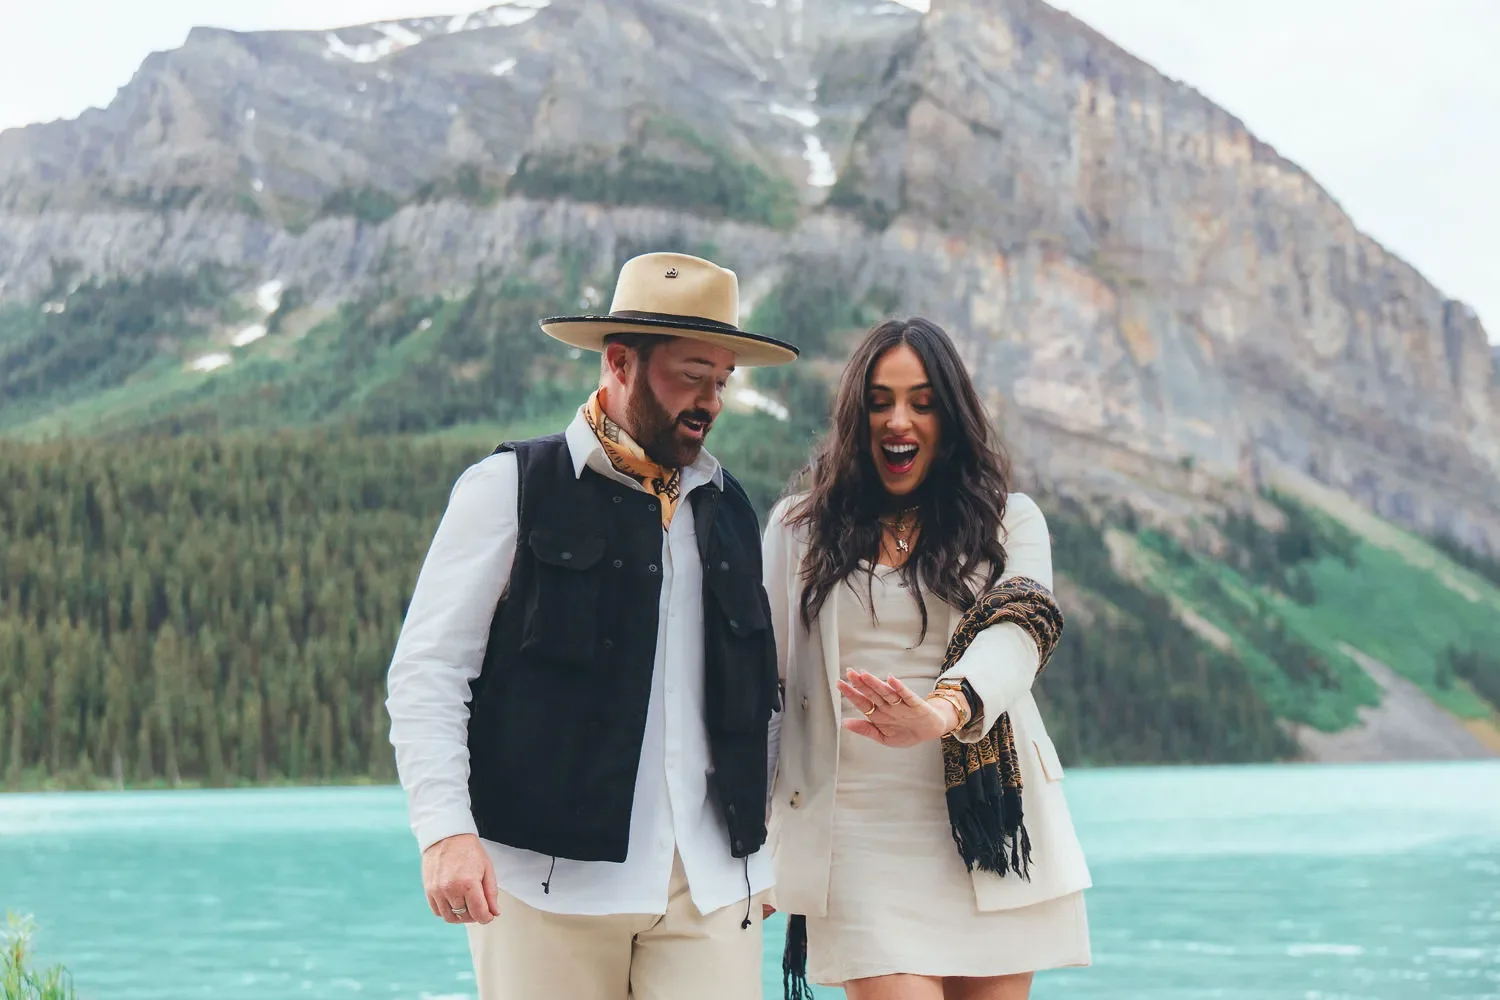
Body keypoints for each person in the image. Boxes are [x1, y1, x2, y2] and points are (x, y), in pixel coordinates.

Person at [386, 251, 798, 1000]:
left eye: (722, 381)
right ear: (619, 363)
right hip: (545, 885)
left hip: (708, 888)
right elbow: (429, 671)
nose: (709, 400)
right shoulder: (510, 487)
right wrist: (445, 832)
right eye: (690, 376)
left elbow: (758, 694)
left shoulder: (729, 506)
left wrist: (758, 851)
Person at [762, 317, 1092, 1000]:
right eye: (879, 401)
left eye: (921, 401)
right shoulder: (798, 529)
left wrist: (942, 710)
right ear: (856, 413)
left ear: (952, 413)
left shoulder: (1009, 520)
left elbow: (1020, 630)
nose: (898, 420)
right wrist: (762, 842)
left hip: (993, 828)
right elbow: (770, 683)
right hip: (853, 834)